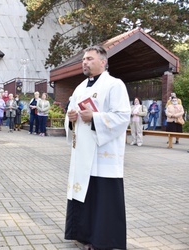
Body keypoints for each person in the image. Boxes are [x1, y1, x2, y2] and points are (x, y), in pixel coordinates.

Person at [64, 45, 130, 250]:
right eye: (84, 59)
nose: (84, 62)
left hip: (103, 154)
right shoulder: (80, 87)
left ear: (103, 62)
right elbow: (70, 113)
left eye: (89, 59)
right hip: (82, 152)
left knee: (101, 197)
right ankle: (83, 234)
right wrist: (71, 118)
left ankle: (102, 239)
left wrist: (95, 118)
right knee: (83, 192)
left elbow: (122, 117)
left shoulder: (114, 85)